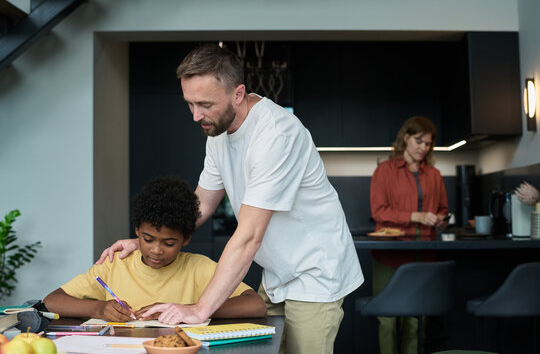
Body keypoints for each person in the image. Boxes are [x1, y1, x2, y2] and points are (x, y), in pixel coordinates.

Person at [97, 43, 364, 354]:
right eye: (190, 104)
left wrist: (199, 310)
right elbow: (201, 205)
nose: (196, 116)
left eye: (205, 104)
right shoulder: (218, 132)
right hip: (279, 273)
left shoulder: (276, 135)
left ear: (238, 94)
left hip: (316, 272)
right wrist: (146, 239)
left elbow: (249, 236)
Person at [44, 176, 266, 321]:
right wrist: (99, 309)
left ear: (186, 238)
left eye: (169, 243)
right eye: (148, 239)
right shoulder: (115, 265)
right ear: (137, 231)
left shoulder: (198, 267)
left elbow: (256, 305)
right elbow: (52, 300)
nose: (157, 250)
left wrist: (186, 309)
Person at [369, 116, 449, 354]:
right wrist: (416, 216)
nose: (423, 148)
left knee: (416, 319)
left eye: (428, 144)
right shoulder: (384, 170)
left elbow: (443, 209)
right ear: (406, 138)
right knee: (387, 318)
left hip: (424, 255)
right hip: (389, 256)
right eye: (419, 141)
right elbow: (378, 211)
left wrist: (442, 220)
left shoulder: (434, 175)